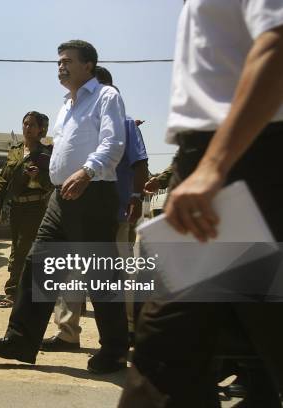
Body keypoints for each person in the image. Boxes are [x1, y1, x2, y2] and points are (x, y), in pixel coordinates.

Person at [119, 0, 283, 406]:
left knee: (167, 350)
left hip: (251, 162)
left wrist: (215, 165)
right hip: (211, 161)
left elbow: (278, 43)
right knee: (166, 352)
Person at [0, 40, 129, 374]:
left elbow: (114, 142)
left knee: (100, 276)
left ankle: (115, 351)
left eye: (67, 61)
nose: (61, 66)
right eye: (58, 62)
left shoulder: (107, 96)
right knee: (39, 265)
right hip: (60, 197)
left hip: (92, 193)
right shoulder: (67, 105)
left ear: (88, 65)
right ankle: (21, 339)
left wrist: (87, 170)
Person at [41, 67, 149, 351]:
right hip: (78, 212)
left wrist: (136, 198)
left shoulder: (124, 123)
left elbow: (140, 164)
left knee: (111, 275)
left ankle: (125, 332)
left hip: (114, 212)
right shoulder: (75, 119)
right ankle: (67, 333)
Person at [0, 111, 53, 308]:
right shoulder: (15, 151)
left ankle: (15, 292)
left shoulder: (46, 153)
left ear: (41, 129)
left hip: (35, 206)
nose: (27, 128)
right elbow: (2, 179)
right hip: (16, 206)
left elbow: (51, 183)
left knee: (23, 248)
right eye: (25, 124)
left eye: (32, 125)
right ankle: (20, 291)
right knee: (17, 247)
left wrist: (37, 177)